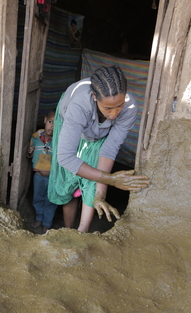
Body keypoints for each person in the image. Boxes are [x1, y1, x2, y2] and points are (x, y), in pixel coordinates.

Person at [48, 65, 150, 233]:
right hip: (71, 122)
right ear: (94, 97)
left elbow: (109, 149)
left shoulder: (130, 107)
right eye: (108, 108)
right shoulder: (80, 104)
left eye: (119, 105)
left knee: (93, 173)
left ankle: (82, 231)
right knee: (67, 177)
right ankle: (68, 230)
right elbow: (65, 157)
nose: (115, 113)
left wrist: (100, 194)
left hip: (97, 134)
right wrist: (111, 179)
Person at [27, 111, 58, 233]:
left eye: (56, 124)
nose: (52, 126)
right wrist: (29, 152)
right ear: (45, 120)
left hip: (52, 178)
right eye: (50, 122)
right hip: (38, 177)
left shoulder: (58, 141)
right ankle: (39, 218)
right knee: (38, 199)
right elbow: (29, 155)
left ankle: (47, 223)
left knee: (50, 201)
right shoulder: (35, 138)